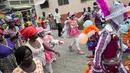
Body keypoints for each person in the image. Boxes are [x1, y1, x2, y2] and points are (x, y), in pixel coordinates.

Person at [92, 0, 129, 73]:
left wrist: (127, 49)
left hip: (117, 62)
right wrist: (97, 67)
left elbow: (119, 43)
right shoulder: (107, 31)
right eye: (122, 14)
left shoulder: (117, 28)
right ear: (116, 16)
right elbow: (98, 50)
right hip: (108, 66)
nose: (125, 17)